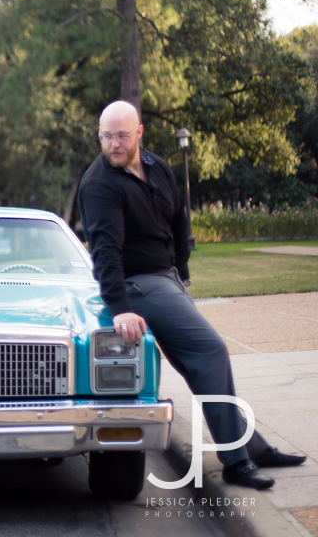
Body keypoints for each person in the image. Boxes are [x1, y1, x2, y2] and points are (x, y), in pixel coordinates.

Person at [78, 101, 306, 490]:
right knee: (211, 351)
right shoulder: (100, 184)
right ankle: (236, 463)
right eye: (106, 136)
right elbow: (105, 252)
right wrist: (119, 308)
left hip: (165, 279)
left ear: (139, 133)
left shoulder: (157, 166)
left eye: (121, 135)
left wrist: (182, 274)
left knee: (201, 364)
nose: (114, 144)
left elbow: (180, 219)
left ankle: (252, 446)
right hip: (138, 285)